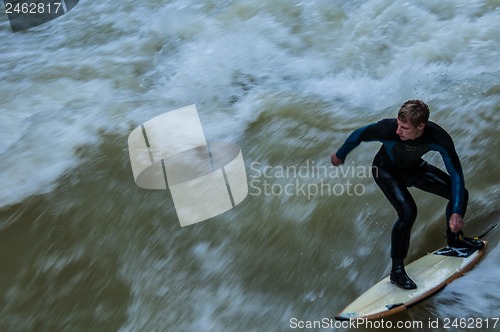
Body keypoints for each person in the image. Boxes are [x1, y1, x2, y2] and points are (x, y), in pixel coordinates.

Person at [330, 100, 484, 290]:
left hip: (414, 169)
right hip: (386, 170)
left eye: (404, 128)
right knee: (408, 212)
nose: (398, 131)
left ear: (421, 126)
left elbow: (456, 174)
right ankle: (396, 271)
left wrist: (457, 212)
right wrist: (341, 153)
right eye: (398, 124)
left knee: (459, 194)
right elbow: (359, 134)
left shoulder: (438, 137)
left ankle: (455, 240)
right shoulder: (387, 128)